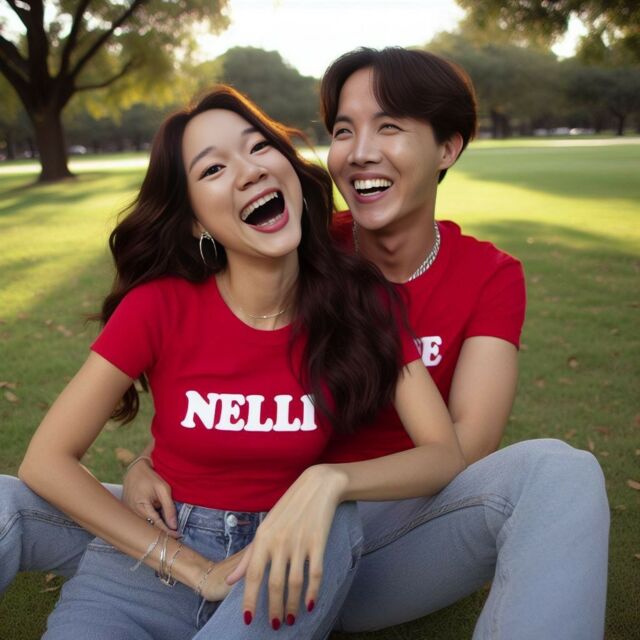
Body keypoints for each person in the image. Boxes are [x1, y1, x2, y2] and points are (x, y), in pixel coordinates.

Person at [1, 47, 609, 638]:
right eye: (344, 130)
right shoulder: (292, 244)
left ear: (447, 147)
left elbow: (460, 451)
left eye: (389, 126)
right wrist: (147, 465)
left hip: (357, 530)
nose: (361, 150)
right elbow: (201, 377)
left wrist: (329, 481)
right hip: (198, 522)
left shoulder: (419, 285)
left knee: (558, 471)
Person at [13, 85, 465, 639]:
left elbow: (443, 454)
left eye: (258, 147)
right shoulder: (158, 306)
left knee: (334, 516)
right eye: (213, 169)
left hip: (289, 550)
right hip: (157, 555)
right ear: (196, 221)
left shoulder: (360, 302)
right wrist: (194, 569)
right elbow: (46, 461)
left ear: (290, 170)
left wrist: (330, 480)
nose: (249, 171)